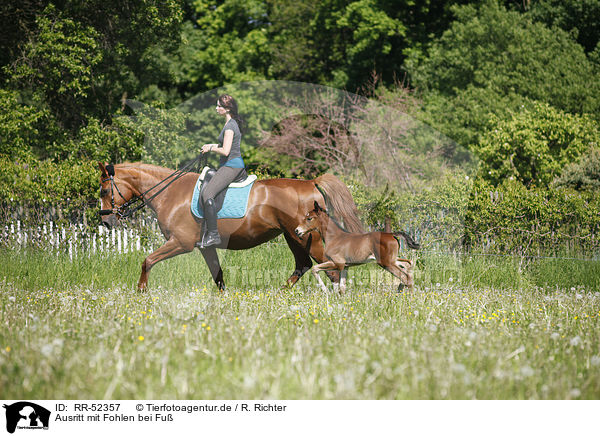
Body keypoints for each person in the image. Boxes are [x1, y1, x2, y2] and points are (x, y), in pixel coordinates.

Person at [199, 94, 246, 248]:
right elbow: (227, 146)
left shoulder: (230, 126)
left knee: (207, 194)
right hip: (233, 164)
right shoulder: (230, 124)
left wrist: (211, 148)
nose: (216, 108)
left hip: (232, 165)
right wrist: (209, 145)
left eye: (219, 106)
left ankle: (213, 234)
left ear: (227, 109)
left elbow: (226, 151)